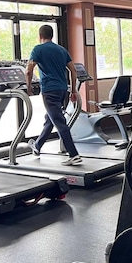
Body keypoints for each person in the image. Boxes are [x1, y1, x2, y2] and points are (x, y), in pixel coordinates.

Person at [25, 25, 82, 166]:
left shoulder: (38, 49)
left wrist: (28, 87)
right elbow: (73, 71)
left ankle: (74, 154)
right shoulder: (62, 50)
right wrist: (73, 90)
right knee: (50, 119)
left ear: (40, 36)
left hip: (49, 91)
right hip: (63, 90)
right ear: (52, 35)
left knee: (59, 122)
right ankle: (37, 146)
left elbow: (28, 70)